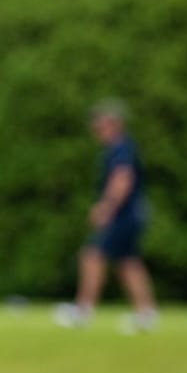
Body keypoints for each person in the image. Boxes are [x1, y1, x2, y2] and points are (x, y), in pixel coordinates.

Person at [57, 99, 160, 332]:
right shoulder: (123, 147)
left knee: (92, 256)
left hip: (124, 215)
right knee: (128, 263)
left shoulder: (120, 148)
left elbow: (122, 179)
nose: (96, 128)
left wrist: (107, 206)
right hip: (133, 215)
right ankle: (147, 313)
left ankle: (83, 310)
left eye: (100, 123)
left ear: (113, 124)